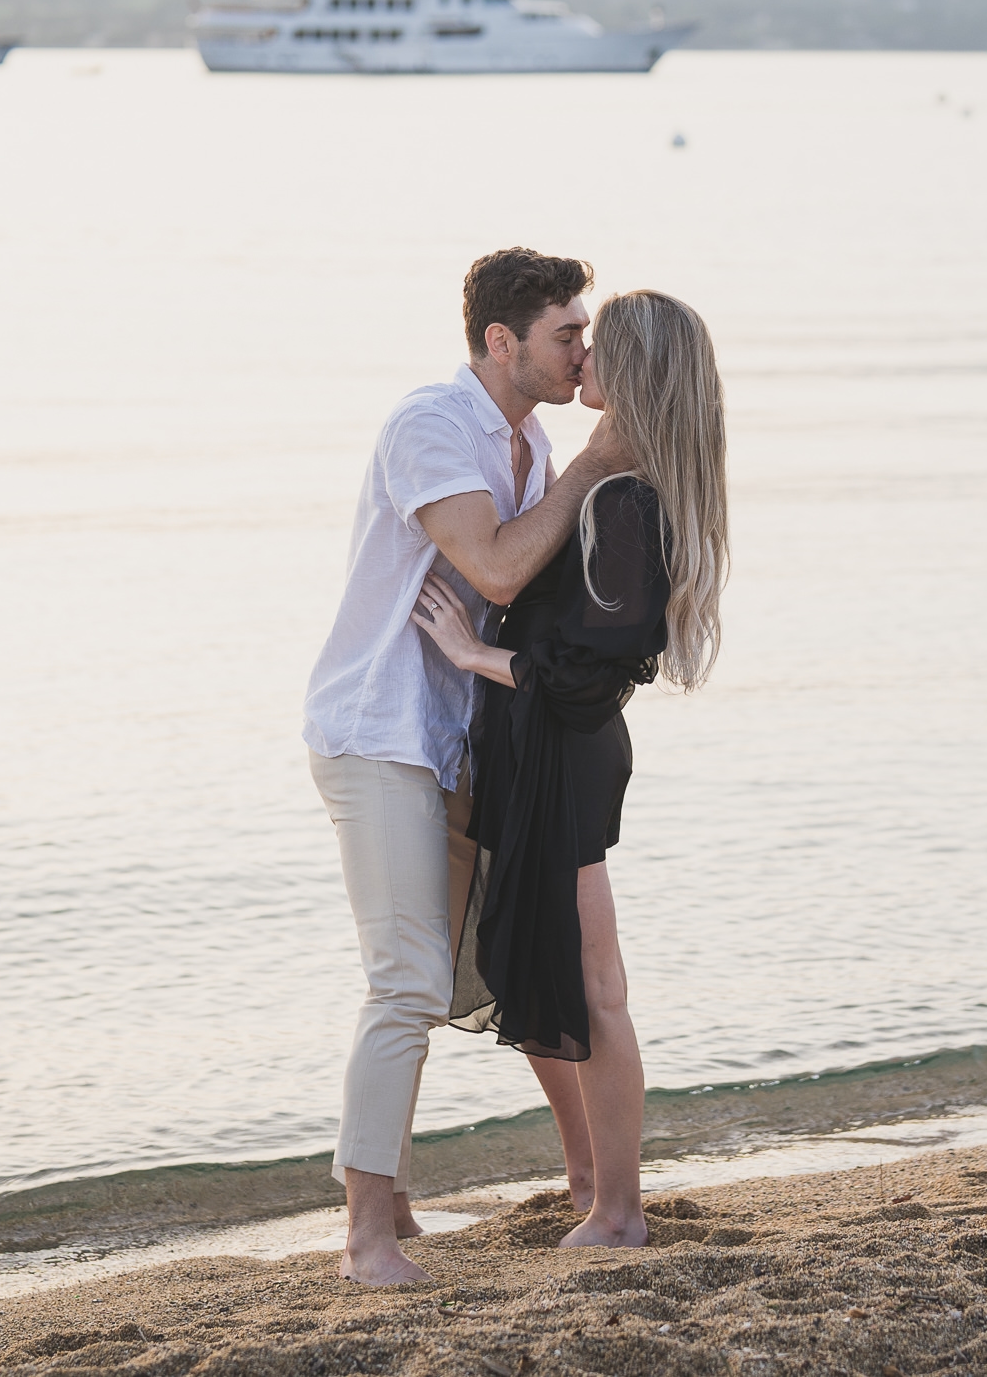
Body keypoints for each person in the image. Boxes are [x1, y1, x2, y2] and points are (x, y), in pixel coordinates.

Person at [301, 246, 631, 1287]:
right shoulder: (433, 425)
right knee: (405, 980)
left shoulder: (528, 446)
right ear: (502, 340)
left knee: (451, 973)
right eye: (566, 332)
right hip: (381, 729)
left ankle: (407, 1190)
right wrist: (598, 459)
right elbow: (490, 565)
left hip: (456, 738)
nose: (584, 348)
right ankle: (366, 1237)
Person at [410, 289, 728, 1249]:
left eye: (597, 347)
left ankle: (620, 1210)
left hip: (564, 754)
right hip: (541, 751)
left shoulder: (625, 498)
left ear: (634, 374)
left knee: (595, 985)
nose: (578, 359)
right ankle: (594, 1179)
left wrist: (475, 655)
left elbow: (594, 671)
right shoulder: (603, 484)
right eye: (575, 339)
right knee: (545, 967)